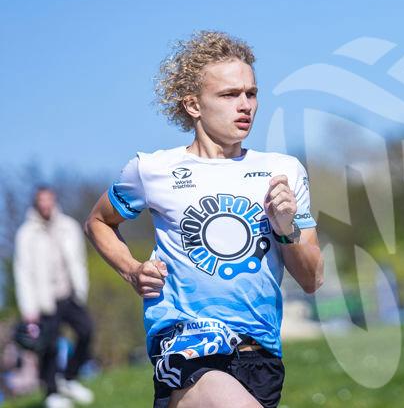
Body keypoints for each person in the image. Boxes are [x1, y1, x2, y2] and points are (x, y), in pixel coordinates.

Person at [84, 31, 324, 408]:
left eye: (251, 93)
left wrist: (284, 228)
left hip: (259, 354)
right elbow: (98, 222)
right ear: (193, 104)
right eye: (229, 95)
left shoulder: (283, 171)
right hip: (187, 344)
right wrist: (131, 270)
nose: (245, 105)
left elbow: (311, 279)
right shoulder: (153, 169)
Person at [14, 186, 95, 408]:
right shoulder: (26, 234)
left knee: (86, 330)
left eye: (49, 200)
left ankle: (70, 378)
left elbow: (78, 260)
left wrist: (81, 289)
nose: (46, 205)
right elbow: (22, 272)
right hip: (43, 299)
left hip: (69, 293)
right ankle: (51, 393)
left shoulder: (69, 226)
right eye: (42, 201)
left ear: (54, 200)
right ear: (36, 203)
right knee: (48, 346)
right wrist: (29, 308)